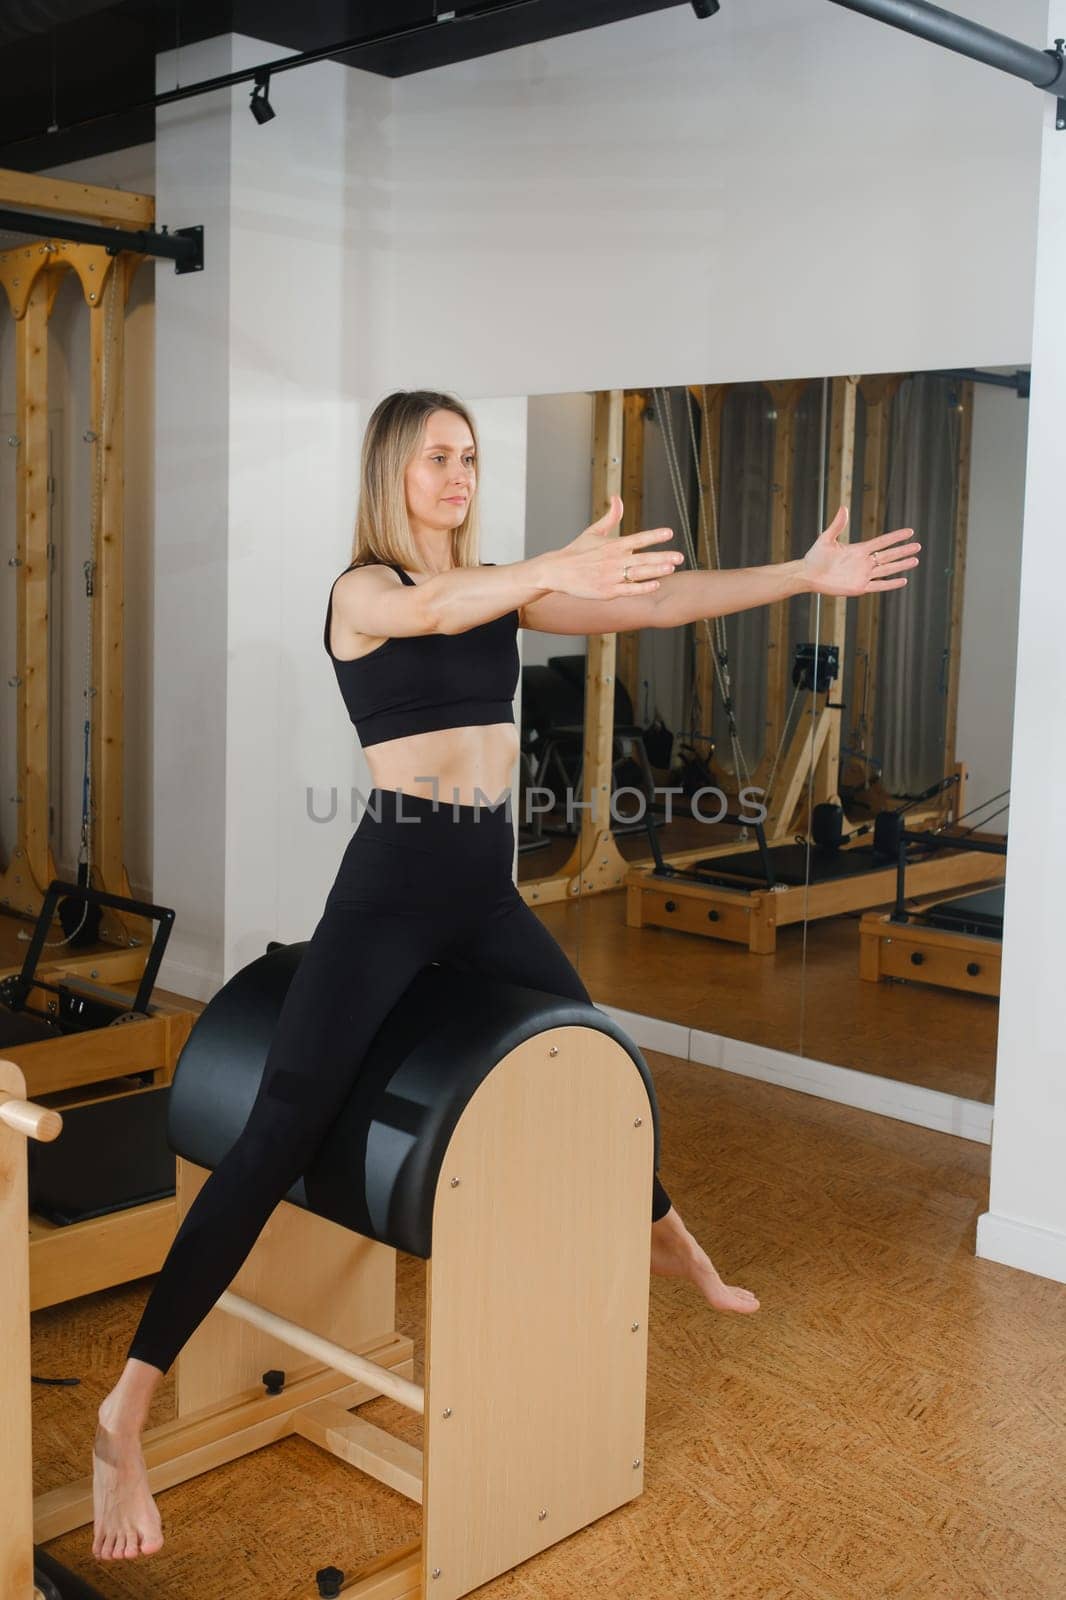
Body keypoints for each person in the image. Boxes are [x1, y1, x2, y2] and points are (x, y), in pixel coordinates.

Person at [91, 389, 920, 1561]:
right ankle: (124, 1411)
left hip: (481, 889)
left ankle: (663, 1232)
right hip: (390, 888)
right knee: (277, 1125)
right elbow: (439, 601)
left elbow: (655, 600)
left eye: (470, 455)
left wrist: (796, 574)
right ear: (392, 470)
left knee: (584, 1049)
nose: (459, 472)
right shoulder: (364, 592)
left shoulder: (503, 589)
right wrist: (540, 567)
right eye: (439, 456)